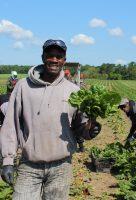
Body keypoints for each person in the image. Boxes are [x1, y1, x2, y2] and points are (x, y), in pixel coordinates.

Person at [0, 39, 101, 199]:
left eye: (59, 56)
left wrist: (90, 130)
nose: (54, 60)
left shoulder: (74, 91)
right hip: (29, 165)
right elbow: (10, 124)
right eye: (50, 55)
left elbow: (78, 128)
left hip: (61, 166)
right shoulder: (23, 86)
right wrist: (7, 161)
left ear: (64, 61)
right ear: (43, 57)